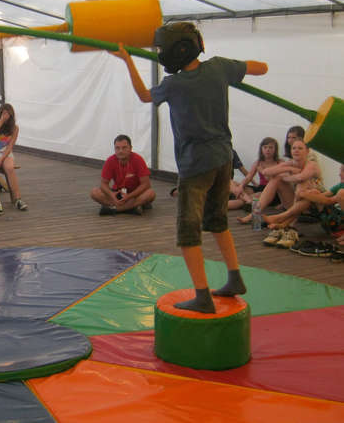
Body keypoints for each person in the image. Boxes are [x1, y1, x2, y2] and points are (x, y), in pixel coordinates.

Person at [113, 21, 268, 313]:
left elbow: (144, 96)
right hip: (223, 158)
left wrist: (127, 60)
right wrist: (240, 72)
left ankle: (202, 296)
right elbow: (261, 68)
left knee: (188, 231)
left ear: (175, 51)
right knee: (218, 221)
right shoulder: (219, 67)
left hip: (195, 164)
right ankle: (235, 278)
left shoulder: (174, 85)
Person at [256, 139, 325, 247]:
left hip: (315, 205)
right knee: (277, 179)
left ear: (307, 151)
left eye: (300, 148)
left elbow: (301, 177)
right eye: (294, 148)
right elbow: (266, 172)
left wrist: (285, 177)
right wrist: (288, 169)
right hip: (297, 201)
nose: (296, 151)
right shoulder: (291, 163)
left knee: (303, 184)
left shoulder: (312, 164)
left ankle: (284, 221)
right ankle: (256, 213)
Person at [91, 134, 155, 215]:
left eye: (124, 148)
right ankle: (131, 208)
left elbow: (146, 184)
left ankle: (114, 209)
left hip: (135, 194)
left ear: (130, 148)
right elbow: (103, 184)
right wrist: (112, 195)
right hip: (118, 193)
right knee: (94, 192)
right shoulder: (110, 160)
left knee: (150, 193)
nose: (120, 151)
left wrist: (129, 196)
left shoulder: (138, 159)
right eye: (117, 148)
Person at [0, 103, 28, 211]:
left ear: (11, 115)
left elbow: (10, 146)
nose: (5, 115)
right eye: (3, 113)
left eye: (7, 113)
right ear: (0, 113)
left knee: (9, 168)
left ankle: (18, 199)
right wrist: (0, 121)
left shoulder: (15, 128)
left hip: (5, 153)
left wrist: (1, 159)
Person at [229, 139, 281, 210]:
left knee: (242, 200)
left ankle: (246, 201)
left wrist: (262, 171)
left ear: (275, 149)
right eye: (265, 147)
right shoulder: (258, 162)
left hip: (272, 191)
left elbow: (277, 180)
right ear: (261, 149)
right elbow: (248, 177)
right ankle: (247, 199)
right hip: (260, 187)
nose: (267, 150)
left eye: (270, 147)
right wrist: (240, 187)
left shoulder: (280, 162)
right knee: (230, 182)